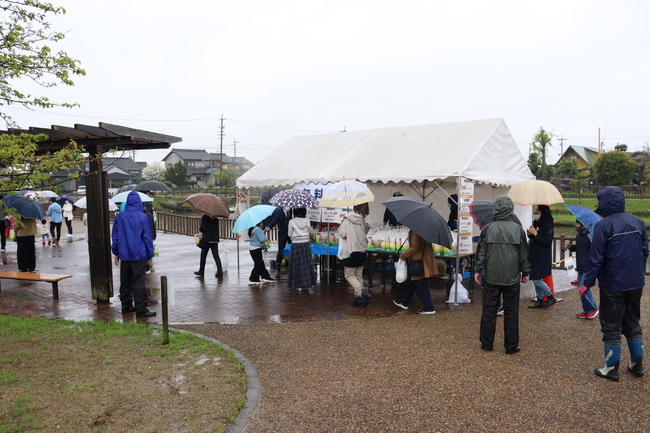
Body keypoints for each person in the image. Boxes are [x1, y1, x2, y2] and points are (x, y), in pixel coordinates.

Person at [582, 186, 648, 381]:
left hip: (612, 284)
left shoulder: (603, 226)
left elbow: (596, 259)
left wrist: (586, 282)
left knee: (611, 325)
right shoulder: (638, 222)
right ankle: (637, 365)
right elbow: (645, 251)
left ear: (604, 202)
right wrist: (638, 272)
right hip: (636, 283)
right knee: (633, 322)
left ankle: (611, 368)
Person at [474, 195, 530, 354]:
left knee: (488, 309)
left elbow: (481, 253)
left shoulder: (487, 228)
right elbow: (523, 254)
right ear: (511, 209)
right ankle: (511, 346)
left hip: (491, 275)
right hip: (511, 277)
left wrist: (477, 271)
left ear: (496, 209)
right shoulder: (518, 229)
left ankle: (487, 344)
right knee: (511, 311)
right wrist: (525, 272)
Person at [110, 191, 156, 318]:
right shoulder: (142, 217)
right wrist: (149, 254)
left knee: (125, 282)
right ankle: (141, 309)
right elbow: (147, 237)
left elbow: (115, 236)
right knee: (139, 283)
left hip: (125, 254)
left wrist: (116, 252)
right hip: (139, 254)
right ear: (139, 202)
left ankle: (126, 306)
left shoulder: (120, 217)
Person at [392, 230, 438, 314]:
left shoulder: (416, 231)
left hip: (418, 260)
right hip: (421, 258)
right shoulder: (422, 230)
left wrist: (403, 255)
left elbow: (415, 247)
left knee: (420, 283)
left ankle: (429, 308)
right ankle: (403, 301)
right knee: (412, 281)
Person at [338, 202, 370, 307]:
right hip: (362, 250)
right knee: (358, 275)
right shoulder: (364, 219)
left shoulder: (348, 218)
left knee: (349, 274)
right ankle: (359, 299)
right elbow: (366, 230)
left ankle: (362, 291)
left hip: (352, 250)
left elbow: (342, 233)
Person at [564, 221, 598, 319]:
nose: (576, 226)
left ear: (584, 226)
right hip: (580, 266)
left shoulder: (590, 237)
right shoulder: (579, 236)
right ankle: (586, 309)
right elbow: (579, 248)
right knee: (581, 290)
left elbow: (595, 252)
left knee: (584, 289)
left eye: (578, 224)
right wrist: (571, 247)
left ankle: (593, 308)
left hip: (588, 267)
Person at [527, 205, 557, 308]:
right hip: (534, 254)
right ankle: (539, 299)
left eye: (537, 211)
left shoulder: (548, 225)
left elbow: (547, 241)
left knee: (537, 279)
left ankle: (550, 296)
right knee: (535, 277)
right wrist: (530, 234)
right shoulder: (537, 223)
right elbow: (535, 237)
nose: (535, 212)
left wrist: (535, 234)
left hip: (542, 256)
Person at [287, 207, 314, 291]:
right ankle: (306, 283)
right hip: (305, 243)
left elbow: (289, 234)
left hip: (295, 244)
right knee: (305, 264)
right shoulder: (307, 220)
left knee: (296, 264)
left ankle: (297, 284)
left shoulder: (291, 221)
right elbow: (310, 232)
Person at [262, 206, 290, 278]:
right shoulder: (279, 211)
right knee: (280, 251)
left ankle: (292, 268)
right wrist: (268, 227)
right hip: (282, 233)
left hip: (291, 234)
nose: (288, 206)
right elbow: (274, 221)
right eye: (286, 204)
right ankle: (278, 270)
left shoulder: (292, 210)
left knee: (291, 250)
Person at [194, 214, 223, 279]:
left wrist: (200, 227)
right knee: (216, 256)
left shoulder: (205, 217)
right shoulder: (215, 218)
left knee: (203, 255)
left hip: (207, 239)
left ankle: (201, 271)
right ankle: (220, 272)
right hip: (215, 239)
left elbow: (203, 229)